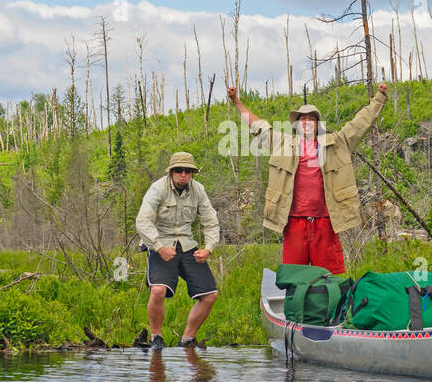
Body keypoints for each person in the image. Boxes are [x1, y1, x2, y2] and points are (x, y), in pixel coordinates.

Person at [227, 83, 387, 274]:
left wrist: (379, 98)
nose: (306, 122)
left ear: (317, 125)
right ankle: (296, 304)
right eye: (302, 119)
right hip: (294, 223)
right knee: (294, 278)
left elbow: (360, 123)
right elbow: (257, 125)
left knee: (330, 279)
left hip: (326, 222)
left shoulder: (337, 143)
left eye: (311, 119)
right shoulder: (283, 143)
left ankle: (330, 305)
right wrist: (236, 101)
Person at [134, 151, 220, 350]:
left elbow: (211, 221)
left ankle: (187, 340)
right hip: (161, 242)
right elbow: (143, 221)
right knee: (158, 290)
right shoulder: (157, 189)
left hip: (187, 244)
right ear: (171, 172)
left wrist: (208, 248)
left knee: (210, 295)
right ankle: (157, 337)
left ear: (192, 174)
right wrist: (158, 247)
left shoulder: (198, 190)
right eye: (179, 171)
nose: (184, 175)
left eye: (188, 171)